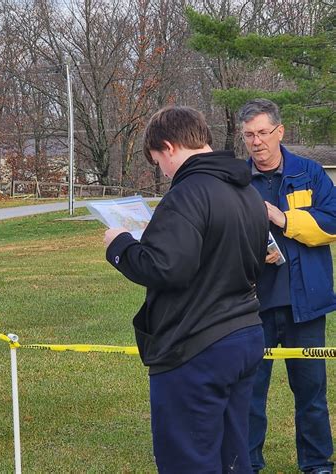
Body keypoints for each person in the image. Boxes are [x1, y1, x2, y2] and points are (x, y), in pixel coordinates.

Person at [104, 105, 269, 473]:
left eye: (157, 159)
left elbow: (167, 268)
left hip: (195, 347)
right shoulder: (248, 194)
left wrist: (120, 246)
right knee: (232, 455)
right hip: (243, 334)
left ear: (169, 146)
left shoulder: (187, 194)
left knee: (189, 459)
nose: (161, 170)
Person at [237, 98, 336, 474]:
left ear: (280, 132)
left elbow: (332, 223)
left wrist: (283, 218)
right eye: (249, 135)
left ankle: (317, 465)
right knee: (247, 393)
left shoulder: (309, 174)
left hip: (306, 305)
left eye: (263, 133)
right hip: (251, 305)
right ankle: (246, 463)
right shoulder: (236, 180)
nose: (257, 142)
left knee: (312, 395)